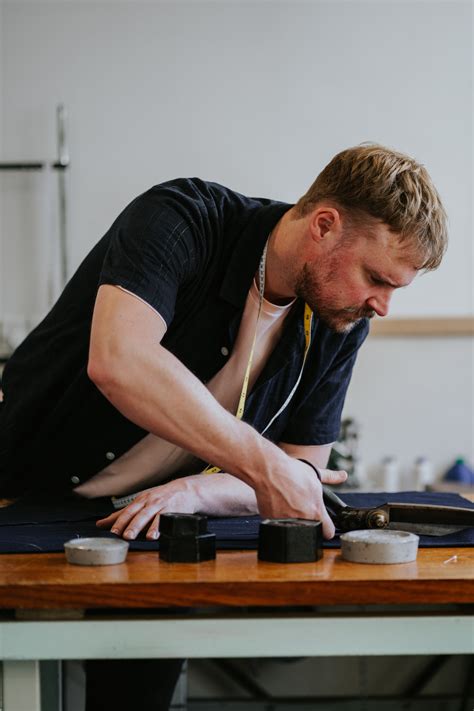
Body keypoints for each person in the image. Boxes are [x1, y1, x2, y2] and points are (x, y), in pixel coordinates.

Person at [0, 143, 447, 709]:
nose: (382, 305)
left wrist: (199, 491)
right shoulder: (180, 219)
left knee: (135, 698)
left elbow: (303, 471)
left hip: (146, 521)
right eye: (376, 278)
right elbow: (120, 359)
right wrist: (265, 467)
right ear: (324, 226)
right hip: (19, 489)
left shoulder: (340, 322)